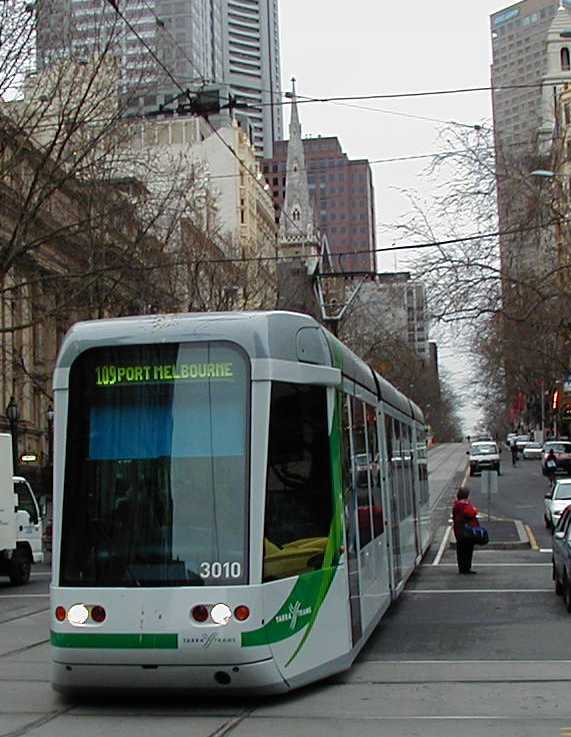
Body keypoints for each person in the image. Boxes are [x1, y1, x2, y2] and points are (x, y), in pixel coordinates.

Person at [452, 487, 479, 575]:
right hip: (466, 531)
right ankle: (466, 568)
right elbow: (472, 512)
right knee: (467, 550)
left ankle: (462, 568)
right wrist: (474, 509)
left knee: (461, 550)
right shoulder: (463, 505)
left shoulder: (456, 505)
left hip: (459, 530)